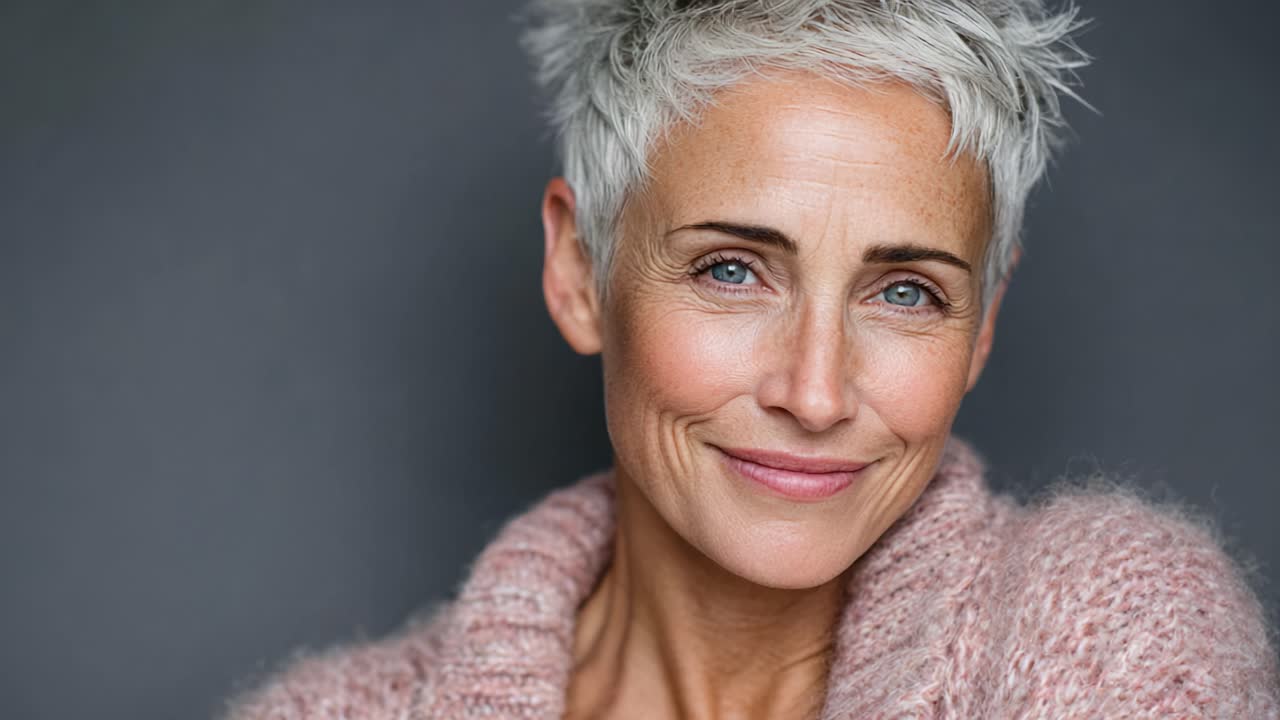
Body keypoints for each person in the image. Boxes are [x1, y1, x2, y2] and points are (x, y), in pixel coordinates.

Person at [223, 1, 1280, 718]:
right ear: (579, 270)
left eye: (904, 292)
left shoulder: (1110, 641)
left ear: (982, 325)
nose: (813, 392)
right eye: (732, 270)